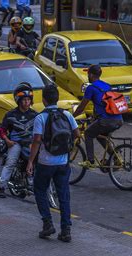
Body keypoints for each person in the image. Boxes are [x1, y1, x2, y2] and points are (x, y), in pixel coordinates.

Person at [27, 84, 80, 242]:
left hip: (45, 162)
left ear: (43, 99)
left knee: (39, 190)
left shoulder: (40, 117)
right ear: (57, 99)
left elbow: (36, 140)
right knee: (64, 195)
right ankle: (66, 230)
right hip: (63, 162)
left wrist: (30, 161)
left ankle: (47, 223)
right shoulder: (67, 115)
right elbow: (77, 133)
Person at [73, 65, 124, 168]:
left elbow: (82, 107)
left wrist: (72, 116)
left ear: (91, 75)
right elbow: (103, 104)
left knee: (88, 133)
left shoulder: (91, 88)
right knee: (100, 135)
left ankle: (90, 161)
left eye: (88, 74)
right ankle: (116, 158)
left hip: (106, 120)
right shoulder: (107, 86)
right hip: (118, 119)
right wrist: (94, 117)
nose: (87, 76)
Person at [0, 83, 37, 198]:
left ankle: (31, 182)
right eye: (24, 100)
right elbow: (1, 130)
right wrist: (7, 141)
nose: (26, 102)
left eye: (28, 100)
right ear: (18, 100)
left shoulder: (35, 115)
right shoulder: (10, 115)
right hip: (16, 143)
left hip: (30, 144)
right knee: (10, 163)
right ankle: (2, 187)